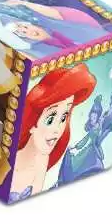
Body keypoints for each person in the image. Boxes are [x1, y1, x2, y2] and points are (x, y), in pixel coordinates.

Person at [10, 64, 96, 201]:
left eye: (63, 117)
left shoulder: (42, 159)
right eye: (50, 119)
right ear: (32, 122)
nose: (57, 130)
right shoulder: (10, 163)